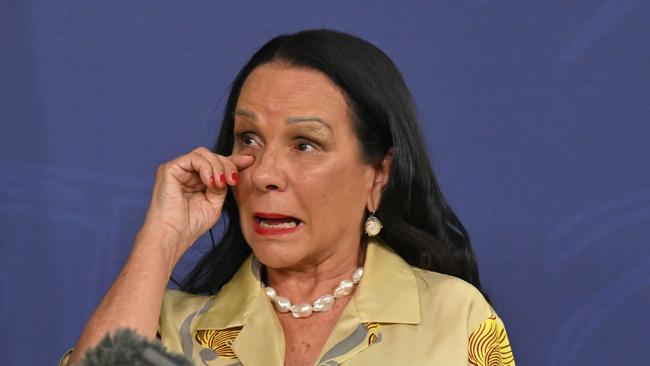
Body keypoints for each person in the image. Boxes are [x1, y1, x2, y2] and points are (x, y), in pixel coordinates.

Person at [62, 29, 515, 366]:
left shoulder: (453, 316)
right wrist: (161, 237)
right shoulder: (172, 327)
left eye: (305, 145)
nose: (264, 174)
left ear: (378, 173)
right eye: (249, 139)